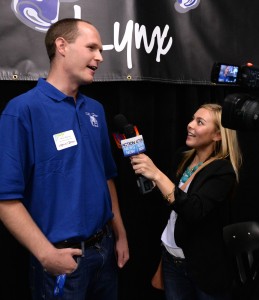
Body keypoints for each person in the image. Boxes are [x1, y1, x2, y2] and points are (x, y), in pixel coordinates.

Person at [0, 18, 129, 300]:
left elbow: (106, 176)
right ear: (62, 46)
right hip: (63, 259)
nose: (100, 57)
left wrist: (120, 235)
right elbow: (6, 200)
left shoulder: (95, 109)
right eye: (92, 47)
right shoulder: (22, 111)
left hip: (104, 252)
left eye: (101, 50)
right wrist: (46, 255)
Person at [130, 103, 242, 300]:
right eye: (192, 119)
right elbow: (173, 204)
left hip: (202, 268)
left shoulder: (222, 171)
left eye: (200, 122)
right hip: (171, 260)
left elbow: (193, 211)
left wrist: (157, 174)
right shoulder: (183, 158)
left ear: (217, 135)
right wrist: (152, 181)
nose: (190, 125)